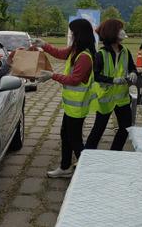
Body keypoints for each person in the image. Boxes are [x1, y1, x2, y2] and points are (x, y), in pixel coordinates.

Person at [32, 18, 96, 178]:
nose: (71, 34)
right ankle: (65, 167)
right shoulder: (76, 49)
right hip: (71, 105)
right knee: (66, 135)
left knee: (74, 139)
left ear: (79, 34)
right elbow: (61, 54)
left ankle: (89, 170)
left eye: (73, 32)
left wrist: (52, 75)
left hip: (77, 106)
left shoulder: (84, 56)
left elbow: (75, 80)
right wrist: (44, 45)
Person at [85, 19, 138, 151]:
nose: (122, 32)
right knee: (98, 129)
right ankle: (86, 155)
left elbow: (133, 68)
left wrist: (133, 73)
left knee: (126, 128)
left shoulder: (126, 51)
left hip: (122, 99)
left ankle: (115, 152)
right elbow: (95, 76)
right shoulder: (101, 54)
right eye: (120, 29)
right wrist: (112, 80)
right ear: (112, 32)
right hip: (105, 99)